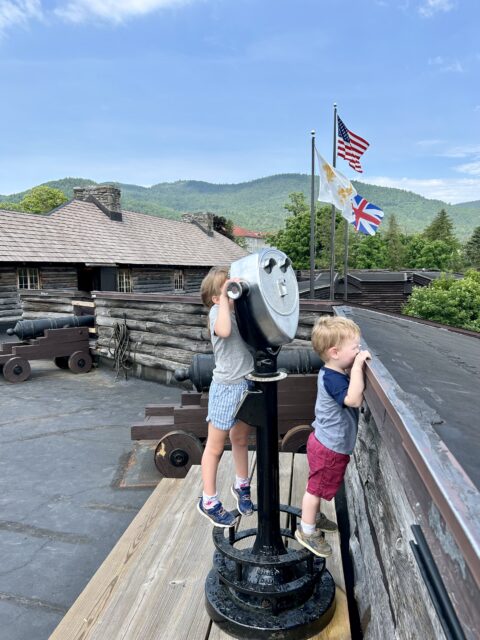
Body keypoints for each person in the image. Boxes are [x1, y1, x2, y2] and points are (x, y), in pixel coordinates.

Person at [295, 316, 371, 557]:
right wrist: (358, 366)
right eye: (355, 348)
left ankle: (313, 517)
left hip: (325, 442)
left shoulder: (332, 371)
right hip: (329, 447)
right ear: (335, 352)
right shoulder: (333, 378)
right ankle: (307, 531)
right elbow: (354, 399)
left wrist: (353, 364)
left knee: (316, 485)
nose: (359, 351)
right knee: (314, 490)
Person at [197, 266, 255, 527]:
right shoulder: (216, 315)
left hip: (246, 384)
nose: (233, 295)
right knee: (215, 447)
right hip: (226, 388)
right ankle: (208, 500)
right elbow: (223, 331)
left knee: (241, 438)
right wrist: (223, 299)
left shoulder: (236, 313)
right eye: (227, 291)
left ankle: (241, 484)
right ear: (216, 298)